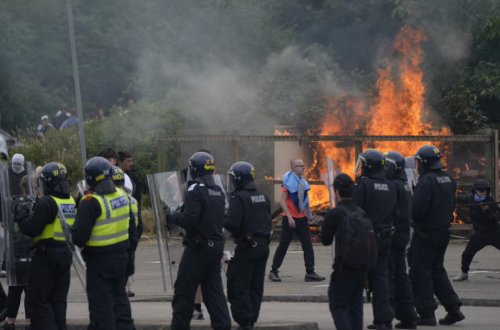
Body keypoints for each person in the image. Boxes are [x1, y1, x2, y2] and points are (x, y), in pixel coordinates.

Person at [167, 151, 231, 330]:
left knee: (184, 292)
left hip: (198, 247)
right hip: (215, 246)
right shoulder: (218, 190)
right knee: (214, 293)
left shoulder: (195, 189)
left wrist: (173, 217)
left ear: (194, 169)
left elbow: (189, 220)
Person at [71, 157, 137, 330]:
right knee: (121, 305)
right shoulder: (122, 195)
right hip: (121, 256)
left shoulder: (90, 202)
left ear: (90, 178)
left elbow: (78, 237)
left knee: (102, 309)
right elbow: (132, 230)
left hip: (99, 262)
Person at [15, 162, 75, 330]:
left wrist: (21, 215)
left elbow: (32, 229)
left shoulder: (48, 202)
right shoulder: (70, 201)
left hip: (46, 256)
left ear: (48, 182)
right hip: (64, 254)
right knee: (58, 301)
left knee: (38, 301)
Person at [409, 145, 465, 326]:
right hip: (443, 232)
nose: (417, 166)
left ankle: (426, 314)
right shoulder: (448, 179)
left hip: (426, 233)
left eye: (418, 162)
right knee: (436, 270)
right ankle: (453, 309)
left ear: (424, 163)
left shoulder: (426, 181)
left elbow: (417, 210)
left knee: (420, 272)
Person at [353, 149, 398, 330]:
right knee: (381, 278)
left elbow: (355, 212)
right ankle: (384, 319)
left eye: (363, 163)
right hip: (386, 237)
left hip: (367, 240)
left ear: (369, 166)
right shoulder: (391, 185)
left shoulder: (363, 185)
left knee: (356, 278)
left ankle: (352, 320)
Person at [224, 161, 272, 330]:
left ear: (239, 178)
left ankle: (245, 321)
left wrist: (222, 218)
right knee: (255, 285)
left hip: (247, 246)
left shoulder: (239, 196)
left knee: (239, 284)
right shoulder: (263, 195)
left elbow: (234, 225)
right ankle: (251, 318)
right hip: (263, 246)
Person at [322, 173, 367, 330]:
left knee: (338, 304)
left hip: (343, 266)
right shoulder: (361, 211)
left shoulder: (336, 212)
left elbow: (326, 240)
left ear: (337, 191)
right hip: (362, 266)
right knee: (356, 305)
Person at [268, 158, 325, 282]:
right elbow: (283, 201)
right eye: (299, 166)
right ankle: (273, 271)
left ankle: (310, 272)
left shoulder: (302, 182)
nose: (302, 168)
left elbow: (304, 201)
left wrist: (308, 215)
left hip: (302, 218)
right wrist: (288, 216)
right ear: (293, 168)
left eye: (303, 165)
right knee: (283, 245)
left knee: (308, 245)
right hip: (290, 219)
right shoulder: (288, 181)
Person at [383, 151, 418, 329]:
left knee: (387, 275)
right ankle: (409, 316)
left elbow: (388, 210)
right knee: (401, 275)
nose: (384, 168)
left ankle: (385, 317)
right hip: (403, 233)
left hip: (393, 234)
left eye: (387, 165)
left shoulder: (392, 186)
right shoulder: (404, 184)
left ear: (394, 167)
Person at [454, 179, 500, 282]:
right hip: (479, 234)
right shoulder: (469, 199)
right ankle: (464, 273)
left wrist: (488, 212)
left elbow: (498, 215)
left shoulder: (490, 200)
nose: (482, 192)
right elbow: (457, 200)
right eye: (480, 190)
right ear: (475, 191)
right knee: (467, 254)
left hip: (494, 232)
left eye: (484, 190)